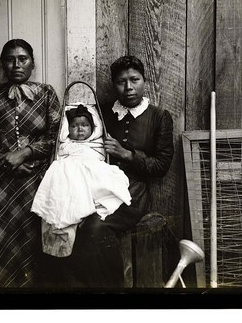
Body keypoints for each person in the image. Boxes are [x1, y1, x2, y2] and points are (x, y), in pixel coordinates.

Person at [44, 55, 174, 288]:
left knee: (96, 228)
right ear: (114, 85)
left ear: (144, 81)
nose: (128, 87)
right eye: (121, 82)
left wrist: (128, 155)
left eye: (135, 80)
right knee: (66, 223)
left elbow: (162, 166)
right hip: (92, 187)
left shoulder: (158, 117)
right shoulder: (101, 114)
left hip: (131, 193)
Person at [0, 39, 61, 288]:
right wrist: (4, 159)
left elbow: (56, 137)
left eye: (23, 59)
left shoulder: (46, 93)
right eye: (10, 59)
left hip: (34, 184)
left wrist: (25, 153)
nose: (16, 64)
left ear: (33, 64)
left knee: (30, 246)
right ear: (3, 65)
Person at [31, 104, 132, 258]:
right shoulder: (66, 144)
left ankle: (91, 205)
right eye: (74, 126)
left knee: (104, 181)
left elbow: (100, 160)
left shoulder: (97, 143)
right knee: (62, 188)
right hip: (68, 174)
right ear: (67, 129)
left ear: (93, 128)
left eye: (84, 125)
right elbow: (60, 157)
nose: (79, 129)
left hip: (91, 171)